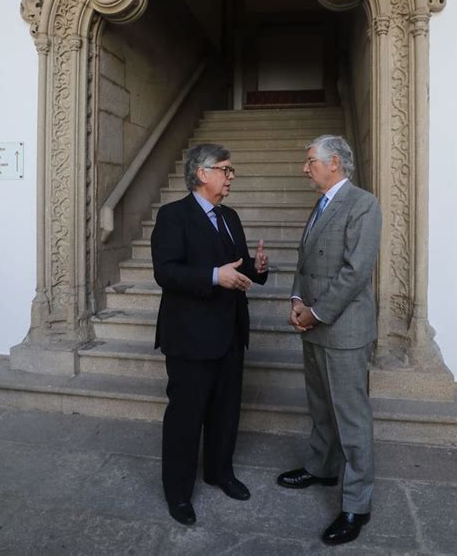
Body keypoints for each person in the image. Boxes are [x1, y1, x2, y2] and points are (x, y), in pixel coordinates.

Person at [151, 143, 268, 526]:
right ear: (202, 173)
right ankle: (178, 493)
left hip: (230, 333)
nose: (231, 177)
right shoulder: (173, 216)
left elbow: (239, 266)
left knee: (226, 411)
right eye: (226, 170)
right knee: (186, 417)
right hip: (189, 336)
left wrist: (257, 268)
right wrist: (215, 276)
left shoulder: (229, 216)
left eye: (231, 171)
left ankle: (220, 472)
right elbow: (165, 272)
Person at [277, 135, 382, 547]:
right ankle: (321, 466)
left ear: (333, 162)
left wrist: (316, 312)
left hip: (343, 328)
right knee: (320, 405)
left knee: (351, 417)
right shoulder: (321, 203)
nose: (305, 169)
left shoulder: (363, 204)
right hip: (314, 324)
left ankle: (357, 503)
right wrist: (297, 300)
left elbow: (356, 272)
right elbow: (306, 260)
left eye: (310, 162)